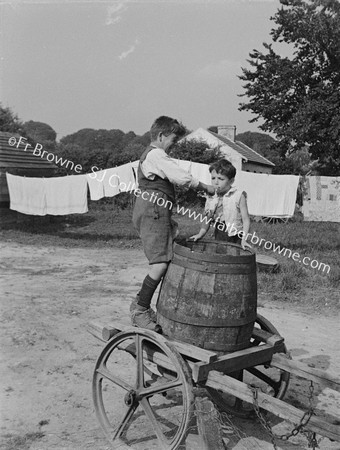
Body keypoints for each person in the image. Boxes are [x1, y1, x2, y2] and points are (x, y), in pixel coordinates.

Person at [130, 116, 215, 331]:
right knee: (160, 263)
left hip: (155, 209)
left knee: (169, 253)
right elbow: (181, 177)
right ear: (160, 136)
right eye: (173, 141)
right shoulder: (156, 154)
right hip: (153, 211)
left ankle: (142, 303)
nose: (173, 146)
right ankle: (140, 310)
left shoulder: (152, 155)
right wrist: (205, 187)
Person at [190, 159, 251, 249]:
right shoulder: (212, 197)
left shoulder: (238, 195)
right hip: (220, 231)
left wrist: (244, 239)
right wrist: (200, 234)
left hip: (235, 234)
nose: (216, 182)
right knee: (220, 255)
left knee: (234, 257)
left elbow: (246, 220)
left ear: (231, 181)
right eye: (213, 178)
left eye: (221, 179)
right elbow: (207, 218)